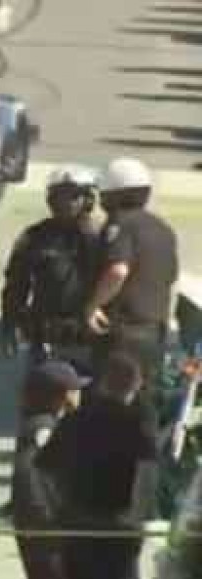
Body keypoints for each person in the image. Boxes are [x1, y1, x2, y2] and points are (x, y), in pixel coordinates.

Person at [37, 352, 158, 579]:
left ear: (102, 384)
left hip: (78, 525)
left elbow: (45, 468)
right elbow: (146, 476)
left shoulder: (74, 421)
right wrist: (138, 520)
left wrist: (59, 507)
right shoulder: (137, 426)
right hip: (120, 528)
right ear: (136, 386)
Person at [86, 157, 179, 435]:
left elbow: (118, 270)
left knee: (110, 407)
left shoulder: (120, 226)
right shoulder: (163, 229)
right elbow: (170, 277)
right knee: (145, 404)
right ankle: (144, 456)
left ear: (114, 194)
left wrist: (93, 305)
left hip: (123, 333)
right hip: (155, 331)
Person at [1, 164, 100, 371]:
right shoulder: (34, 236)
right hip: (45, 337)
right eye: (59, 196)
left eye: (73, 196)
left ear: (88, 200)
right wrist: (9, 324)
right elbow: (16, 284)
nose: (65, 203)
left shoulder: (100, 238)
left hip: (89, 339)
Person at [11, 360, 84, 579]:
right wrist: (45, 522)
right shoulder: (43, 429)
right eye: (76, 389)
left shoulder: (48, 425)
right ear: (61, 394)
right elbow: (28, 476)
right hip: (47, 534)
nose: (80, 394)